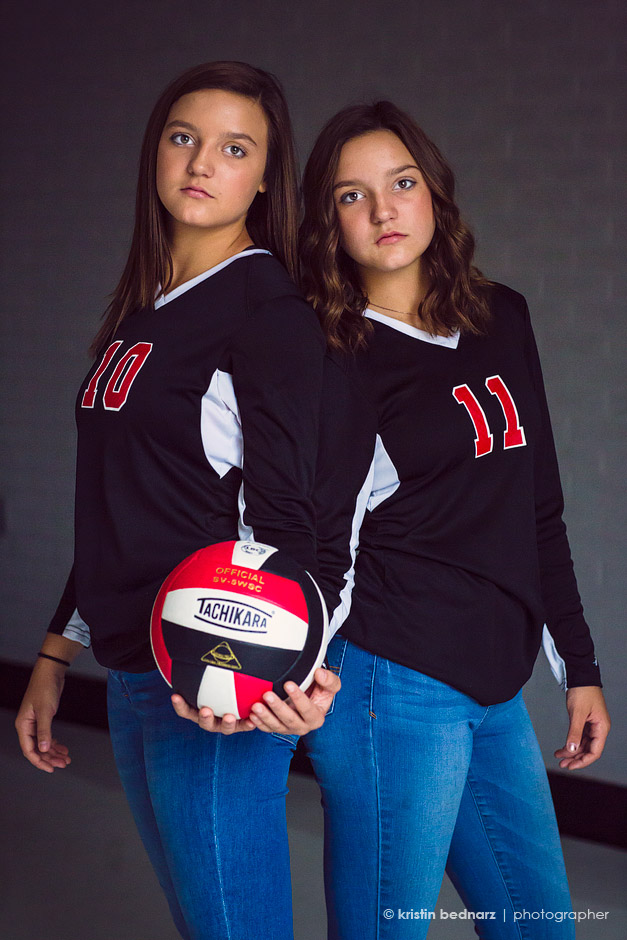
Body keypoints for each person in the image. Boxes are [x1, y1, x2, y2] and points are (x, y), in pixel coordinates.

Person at [15, 61, 340, 940]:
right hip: (132, 664)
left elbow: (290, 519)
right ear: (155, 152)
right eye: (183, 137)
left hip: (209, 677)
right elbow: (123, 504)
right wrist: (56, 653)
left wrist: (272, 673)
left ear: (264, 177)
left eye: (235, 148)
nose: (202, 161)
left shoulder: (268, 312)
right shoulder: (143, 313)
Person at [298, 101, 611, 939]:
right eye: (350, 195)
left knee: (540, 926)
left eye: (400, 184)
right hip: (388, 684)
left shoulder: (500, 315)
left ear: (433, 193)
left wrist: (577, 665)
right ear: (327, 222)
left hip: (494, 686)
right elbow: (307, 539)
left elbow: (536, 502)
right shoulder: (326, 353)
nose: (382, 210)